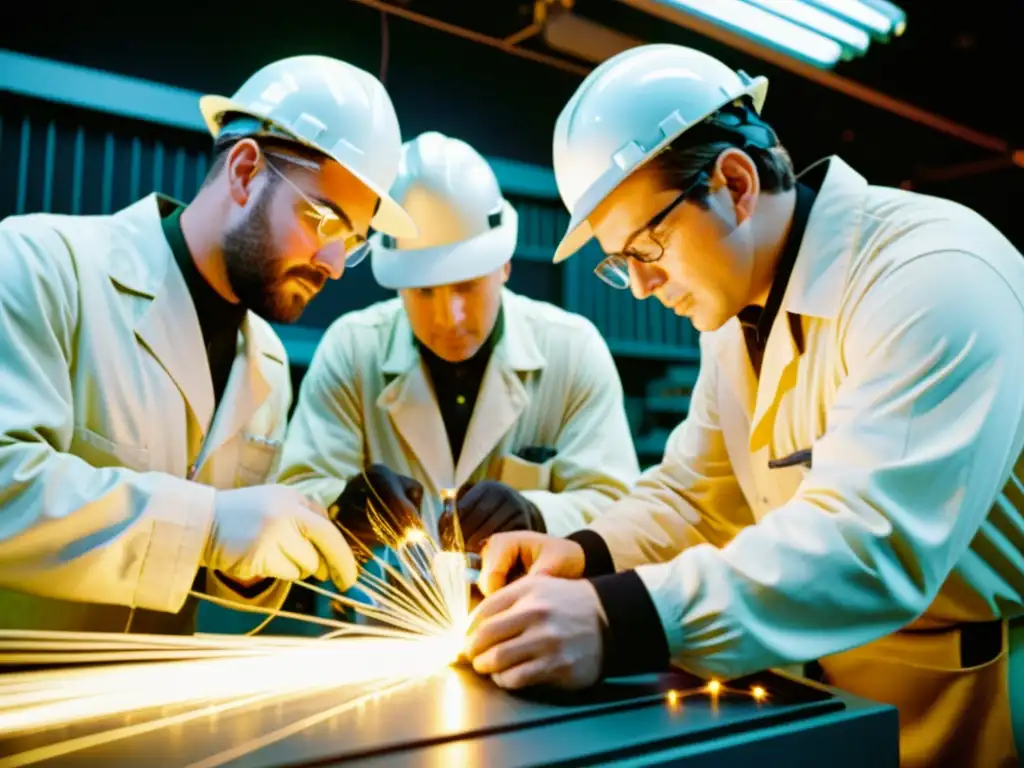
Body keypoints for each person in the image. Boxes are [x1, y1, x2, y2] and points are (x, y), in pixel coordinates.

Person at [463, 44, 1024, 767]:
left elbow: (869, 544)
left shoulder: (934, 278)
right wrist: (582, 556)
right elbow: (698, 496)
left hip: (977, 692)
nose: (639, 286)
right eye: (620, 263)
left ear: (733, 183)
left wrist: (617, 618)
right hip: (837, 679)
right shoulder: (736, 311)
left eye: (646, 245)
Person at [0, 55, 419, 634]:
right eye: (326, 222)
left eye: (353, 241)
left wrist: (292, 544)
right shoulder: (41, 265)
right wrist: (208, 525)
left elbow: (216, 592)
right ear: (245, 172)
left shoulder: (267, 361)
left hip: (157, 698)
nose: (335, 264)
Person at [275, 130, 639, 580]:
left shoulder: (573, 350)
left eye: (467, 285)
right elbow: (295, 495)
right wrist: (342, 506)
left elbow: (621, 511)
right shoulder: (351, 350)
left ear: (505, 265)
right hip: (386, 626)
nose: (449, 317)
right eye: (424, 292)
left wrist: (536, 516)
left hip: (536, 617)